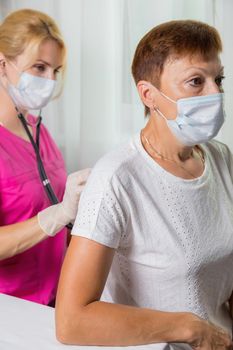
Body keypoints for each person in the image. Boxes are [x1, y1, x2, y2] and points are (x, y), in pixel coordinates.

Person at [55, 19, 233, 349]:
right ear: (149, 95)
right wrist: (189, 327)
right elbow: (71, 321)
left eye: (218, 79)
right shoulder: (117, 178)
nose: (216, 93)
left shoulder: (221, 158)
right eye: (196, 81)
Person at [0, 9, 90, 306]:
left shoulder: (39, 131)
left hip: (53, 298)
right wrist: (57, 215)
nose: (49, 80)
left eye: (56, 70)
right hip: (12, 306)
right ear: (2, 64)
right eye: (39, 67)